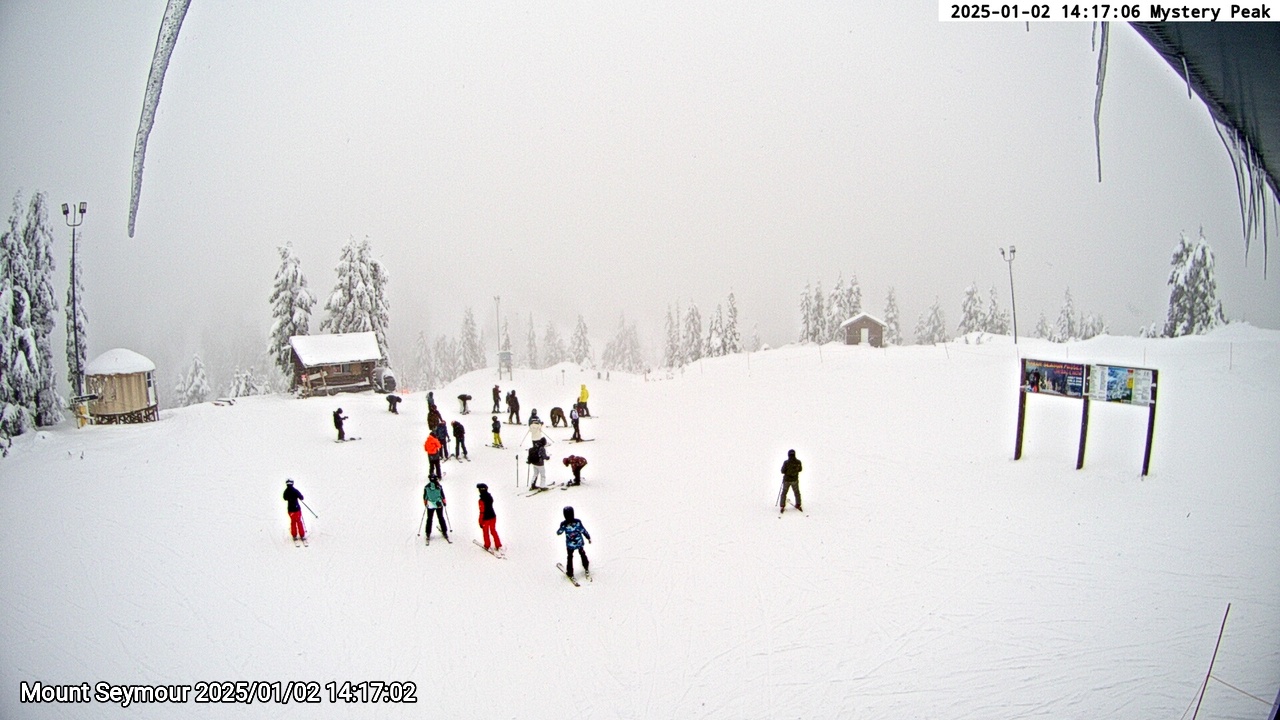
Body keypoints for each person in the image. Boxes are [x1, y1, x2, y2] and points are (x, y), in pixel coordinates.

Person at [557, 506, 591, 580]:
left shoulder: (564, 524)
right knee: (582, 554)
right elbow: (583, 530)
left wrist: (560, 528)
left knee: (570, 557)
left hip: (570, 545)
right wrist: (588, 537)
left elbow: (559, 532)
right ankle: (586, 567)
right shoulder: (577, 522)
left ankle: (570, 572)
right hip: (579, 543)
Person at [477, 483, 502, 552]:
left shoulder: (481, 500)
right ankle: (498, 545)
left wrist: (480, 521)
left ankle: (487, 545)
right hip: (493, 516)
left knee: (485, 532)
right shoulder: (490, 497)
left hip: (486, 518)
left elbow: (482, 511)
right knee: (493, 530)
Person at [423, 476, 448, 543]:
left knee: (429, 519)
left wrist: (425, 503)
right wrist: (444, 503)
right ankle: (444, 531)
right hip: (438, 504)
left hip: (430, 505)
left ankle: (428, 533)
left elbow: (425, 496)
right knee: (441, 517)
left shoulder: (427, 487)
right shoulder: (439, 487)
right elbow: (442, 496)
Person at [779, 449, 803, 513]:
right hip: (795, 480)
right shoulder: (798, 462)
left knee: (784, 492)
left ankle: (782, 505)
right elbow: (800, 469)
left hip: (786, 480)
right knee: (797, 492)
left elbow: (782, 471)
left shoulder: (786, 462)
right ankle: (798, 504)